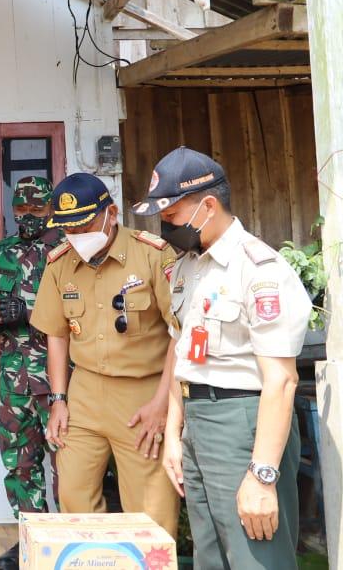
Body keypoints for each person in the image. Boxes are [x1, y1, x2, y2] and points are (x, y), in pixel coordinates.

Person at [133, 147, 309, 569]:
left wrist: (263, 475)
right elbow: (181, 353)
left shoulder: (259, 269)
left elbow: (282, 381)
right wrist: (175, 434)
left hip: (243, 422)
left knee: (256, 557)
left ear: (207, 206)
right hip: (198, 422)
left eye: (172, 215)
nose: (166, 226)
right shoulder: (188, 268)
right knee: (212, 559)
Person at [31, 173, 180, 536]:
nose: (76, 236)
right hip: (83, 394)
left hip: (142, 394)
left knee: (150, 511)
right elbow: (57, 335)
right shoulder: (59, 263)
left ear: (110, 213)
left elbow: (180, 332)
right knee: (74, 498)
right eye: (67, 228)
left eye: (83, 225)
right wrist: (58, 399)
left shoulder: (152, 255)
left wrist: (163, 403)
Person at [0, 176, 62, 570]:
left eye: (36, 209)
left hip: (60, 381)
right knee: (19, 464)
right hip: (14, 379)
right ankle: (32, 539)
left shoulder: (66, 250)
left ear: (51, 209)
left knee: (69, 464)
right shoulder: (1, 252)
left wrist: (27, 314)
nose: (27, 216)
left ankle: (69, 541)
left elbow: (77, 315)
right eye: (20, 209)